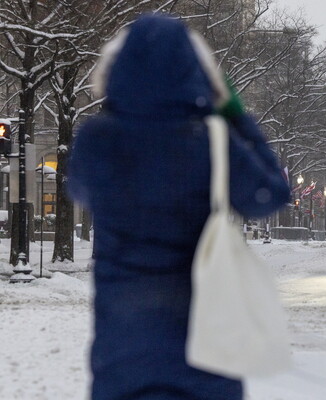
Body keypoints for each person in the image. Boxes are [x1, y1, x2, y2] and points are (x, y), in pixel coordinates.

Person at [67, 15, 290, 400]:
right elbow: (269, 194)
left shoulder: (95, 139)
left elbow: (82, 192)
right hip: (205, 345)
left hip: (123, 349)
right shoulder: (211, 140)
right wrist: (234, 114)